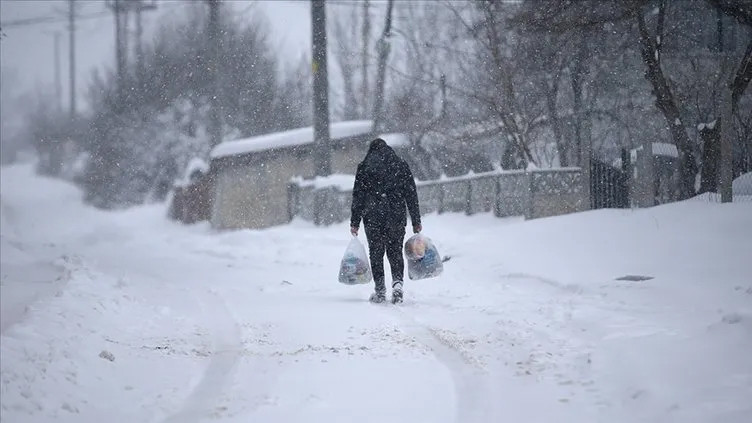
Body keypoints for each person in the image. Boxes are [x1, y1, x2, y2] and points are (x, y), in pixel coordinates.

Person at [350, 138, 422, 304]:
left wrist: (355, 222)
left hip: (373, 216)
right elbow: (411, 194)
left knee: (376, 253)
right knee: (395, 251)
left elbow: (358, 197)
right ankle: (397, 285)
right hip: (396, 216)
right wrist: (416, 220)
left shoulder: (364, 167)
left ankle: (380, 290)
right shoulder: (401, 165)